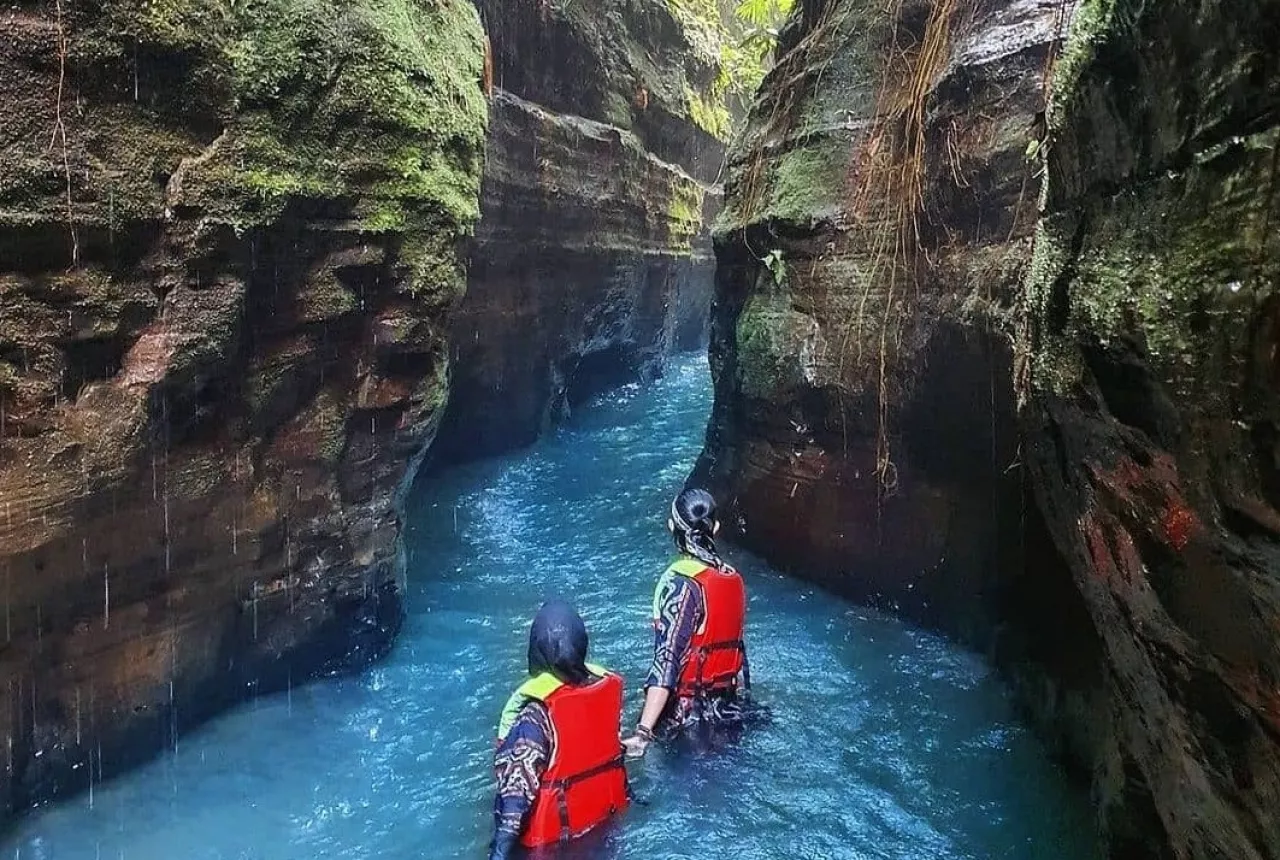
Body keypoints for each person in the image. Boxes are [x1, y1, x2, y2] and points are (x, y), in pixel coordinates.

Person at [490, 599, 629, 859]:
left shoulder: (536, 715)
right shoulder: (603, 694)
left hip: (551, 848)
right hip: (603, 833)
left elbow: (514, 802)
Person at [622, 488, 748, 758]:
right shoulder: (732, 579)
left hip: (687, 720)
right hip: (730, 712)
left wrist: (643, 732)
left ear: (671, 527)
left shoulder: (681, 583)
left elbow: (667, 658)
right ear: (715, 528)